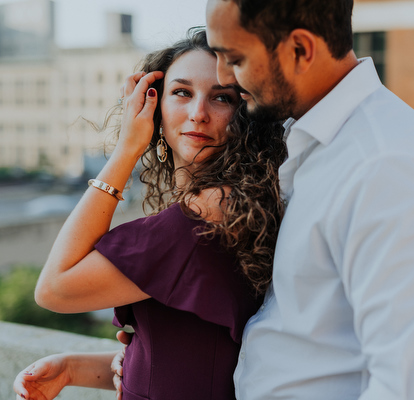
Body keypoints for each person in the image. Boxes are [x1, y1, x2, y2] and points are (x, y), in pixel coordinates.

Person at [202, 0, 414, 399]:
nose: (224, 76)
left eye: (235, 58)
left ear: (300, 50)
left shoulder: (387, 167)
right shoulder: (310, 136)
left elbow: (413, 387)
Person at [13, 27, 287, 400]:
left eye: (222, 98)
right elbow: (189, 355)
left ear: (247, 115)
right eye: (182, 92)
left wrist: (126, 149)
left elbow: (54, 289)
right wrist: (72, 367)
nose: (198, 113)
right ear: (154, 104)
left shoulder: (211, 211)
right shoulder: (225, 206)